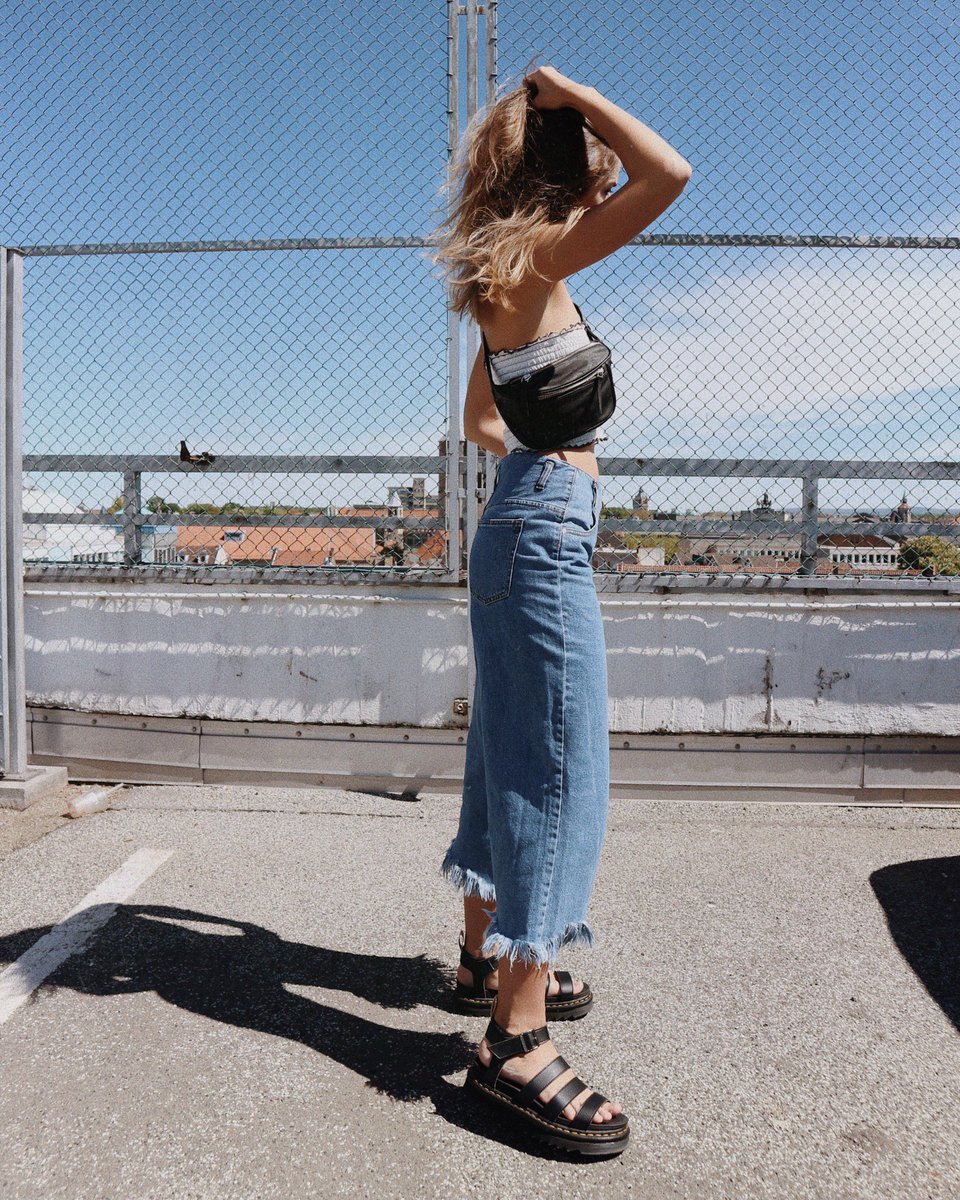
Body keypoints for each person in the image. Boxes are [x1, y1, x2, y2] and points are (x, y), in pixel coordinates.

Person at [430, 64, 692, 1156]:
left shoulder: (507, 277)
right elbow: (669, 174)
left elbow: (478, 420)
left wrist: (544, 451)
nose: (606, 185)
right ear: (571, 177)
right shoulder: (544, 256)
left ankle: (482, 956)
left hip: (518, 520)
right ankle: (516, 1040)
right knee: (558, 770)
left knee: (507, 751)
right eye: (592, 171)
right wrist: (569, 93)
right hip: (541, 530)